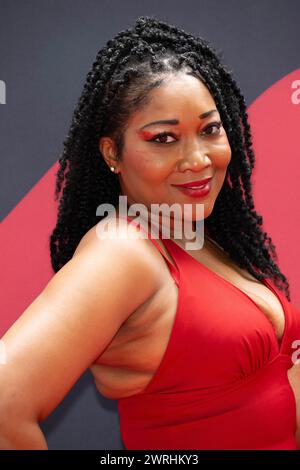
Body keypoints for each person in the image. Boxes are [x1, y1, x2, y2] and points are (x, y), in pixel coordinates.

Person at [0, 15, 299, 450]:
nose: (197, 159)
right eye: (163, 139)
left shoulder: (205, 235)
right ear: (112, 153)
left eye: (210, 129)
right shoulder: (122, 251)